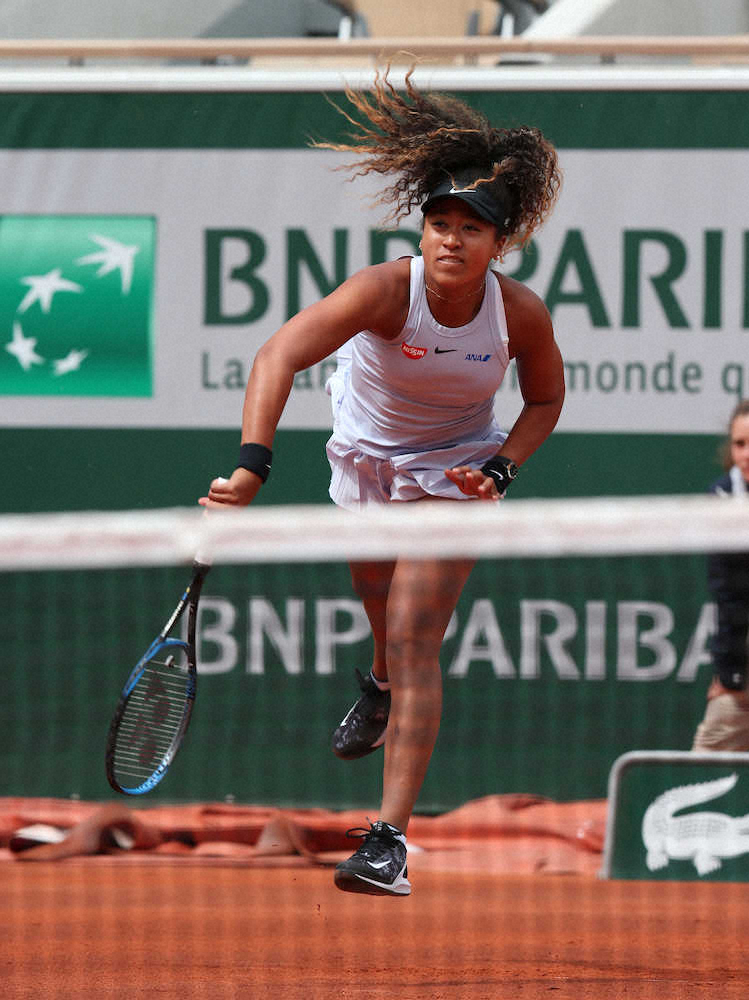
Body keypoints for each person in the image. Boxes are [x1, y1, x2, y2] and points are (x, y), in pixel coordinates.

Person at [200, 69, 564, 896]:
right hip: (366, 462)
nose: (451, 241)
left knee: (413, 631)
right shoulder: (380, 291)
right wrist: (252, 464)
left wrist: (500, 466)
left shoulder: (519, 313)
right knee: (377, 603)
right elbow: (278, 355)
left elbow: (544, 400)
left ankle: (386, 841)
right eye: (439, 224)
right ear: (422, 231)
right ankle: (379, 686)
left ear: (497, 245)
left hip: (454, 469)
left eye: (470, 229)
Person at [692, 400, 749, 752]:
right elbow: (728, 595)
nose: (747, 454)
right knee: (705, 761)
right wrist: (732, 676)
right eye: (740, 444)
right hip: (741, 676)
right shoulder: (721, 498)